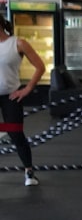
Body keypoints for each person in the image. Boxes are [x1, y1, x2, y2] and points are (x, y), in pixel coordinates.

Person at [0, 16, 46, 186]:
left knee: (15, 133)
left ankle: (29, 172)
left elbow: (40, 67)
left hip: (11, 96)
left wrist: (27, 89)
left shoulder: (18, 44)